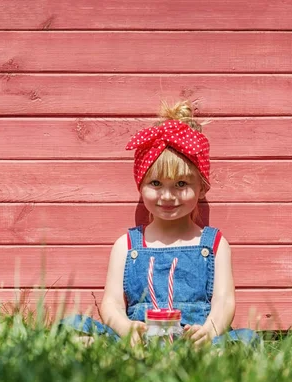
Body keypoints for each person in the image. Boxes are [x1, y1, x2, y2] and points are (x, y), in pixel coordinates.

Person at [61, 100, 258, 347]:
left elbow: (224, 302)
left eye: (181, 184)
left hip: (194, 342)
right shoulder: (126, 246)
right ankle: (112, 348)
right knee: (72, 324)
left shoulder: (215, 244)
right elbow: (111, 303)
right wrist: (126, 328)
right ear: (141, 185)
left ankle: (209, 353)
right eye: (156, 184)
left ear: (202, 189)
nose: (167, 196)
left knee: (248, 339)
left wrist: (209, 332)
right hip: (139, 340)